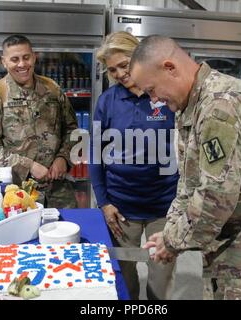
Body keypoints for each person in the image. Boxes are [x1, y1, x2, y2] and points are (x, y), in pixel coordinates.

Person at [130, 35, 241, 300]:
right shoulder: (191, 106)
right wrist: (171, 230)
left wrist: (172, 242)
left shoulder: (221, 106)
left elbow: (214, 197)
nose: (154, 100)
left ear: (170, 68)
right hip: (226, 237)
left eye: (151, 89)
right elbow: (189, 184)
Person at [89, 31, 179, 300]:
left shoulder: (165, 95)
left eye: (124, 64)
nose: (118, 73)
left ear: (139, 57)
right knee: (124, 278)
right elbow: (95, 153)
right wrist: (104, 202)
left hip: (163, 206)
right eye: (112, 69)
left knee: (160, 282)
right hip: (121, 208)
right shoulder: (108, 102)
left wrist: (181, 205)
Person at [0, 35, 78, 208]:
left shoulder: (52, 89)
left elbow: (72, 130)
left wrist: (63, 158)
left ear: (34, 57)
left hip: (58, 189)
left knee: (66, 232)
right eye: (15, 59)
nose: (22, 64)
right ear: (4, 62)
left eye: (26, 57)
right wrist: (28, 166)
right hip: (18, 193)